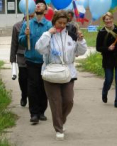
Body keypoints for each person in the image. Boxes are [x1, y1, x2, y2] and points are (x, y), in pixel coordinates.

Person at [35, 10, 87, 140]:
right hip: (51, 72)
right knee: (55, 101)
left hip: (67, 72)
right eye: (60, 23)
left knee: (68, 101)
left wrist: (81, 40)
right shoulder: (48, 35)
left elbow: (80, 52)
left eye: (65, 23)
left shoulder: (71, 36)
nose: (62, 25)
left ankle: (61, 120)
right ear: (54, 22)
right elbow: (39, 48)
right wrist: (48, 34)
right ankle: (58, 128)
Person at [18, 0, 52, 125]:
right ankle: (34, 114)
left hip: (44, 61)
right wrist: (25, 35)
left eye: (41, 5)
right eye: (37, 4)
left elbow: (51, 42)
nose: (38, 6)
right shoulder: (27, 24)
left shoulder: (49, 25)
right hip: (31, 60)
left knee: (43, 88)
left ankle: (42, 111)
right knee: (32, 87)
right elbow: (21, 41)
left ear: (45, 10)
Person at [96, 12, 117, 108]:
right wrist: (107, 48)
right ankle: (104, 91)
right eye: (106, 19)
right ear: (104, 21)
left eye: (110, 18)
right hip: (108, 60)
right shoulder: (101, 32)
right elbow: (98, 47)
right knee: (109, 80)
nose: (108, 21)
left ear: (112, 19)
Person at [10, 16, 29, 107]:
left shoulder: (36, 25)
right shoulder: (17, 26)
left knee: (33, 79)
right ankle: (24, 95)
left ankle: (32, 98)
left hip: (34, 56)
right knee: (23, 78)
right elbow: (14, 44)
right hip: (21, 56)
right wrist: (12, 59)